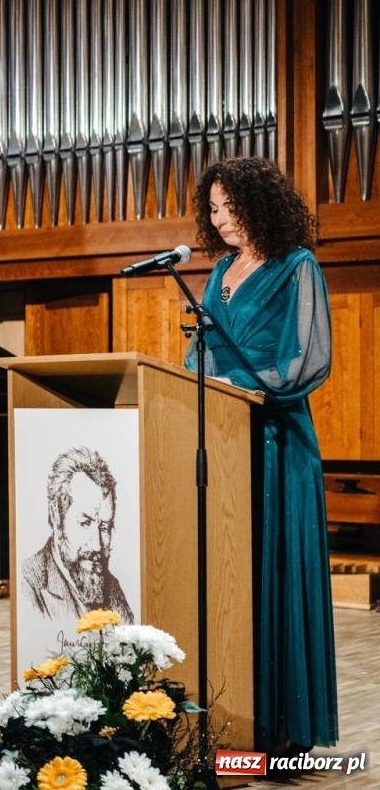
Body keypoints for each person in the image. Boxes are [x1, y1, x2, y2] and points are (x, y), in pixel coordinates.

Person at [185, 157, 336, 752]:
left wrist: (241, 386)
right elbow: (201, 352)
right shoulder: (221, 269)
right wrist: (194, 381)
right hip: (225, 437)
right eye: (214, 209)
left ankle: (282, 733)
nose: (221, 219)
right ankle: (235, 721)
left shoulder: (297, 265)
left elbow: (306, 360)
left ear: (261, 205)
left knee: (275, 573)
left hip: (278, 440)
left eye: (231, 207)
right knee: (232, 577)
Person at [21, 447, 134, 622]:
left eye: (105, 527)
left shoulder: (112, 589)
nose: (97, 545)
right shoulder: (29, 583)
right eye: (85, 523)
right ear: (56, 514)